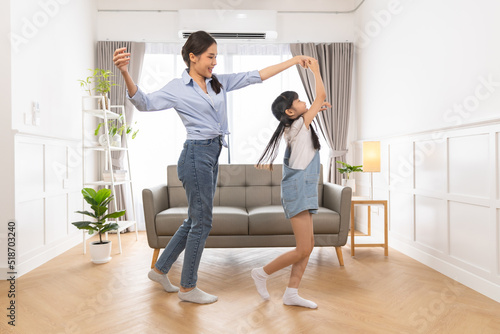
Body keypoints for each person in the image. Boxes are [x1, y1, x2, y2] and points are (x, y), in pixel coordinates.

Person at [113, 31, 314, 304]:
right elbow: (145, 103)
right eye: (210, 56)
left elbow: (257, 75)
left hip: (211, 154)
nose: (215, 62)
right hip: (195, 155)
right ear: (192, 57)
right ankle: (187, 288)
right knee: (203, 221)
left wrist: (293, 61)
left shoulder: (217, 83)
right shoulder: (177, 88)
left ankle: (160, 270)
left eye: (216, 56)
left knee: (195, 219)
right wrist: (126, 73)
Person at [252, 58, 331, 309]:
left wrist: (315, 110)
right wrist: (316, 71)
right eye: (297, 100)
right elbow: (321, 94)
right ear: (290, 111)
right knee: (302, 248)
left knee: (308, 247)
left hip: (303, 189)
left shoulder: (297, 125)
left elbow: (317, 103)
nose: (301, 102)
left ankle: (291, 293)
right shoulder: (298, 125)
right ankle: (261, 273)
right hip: (297, 191)